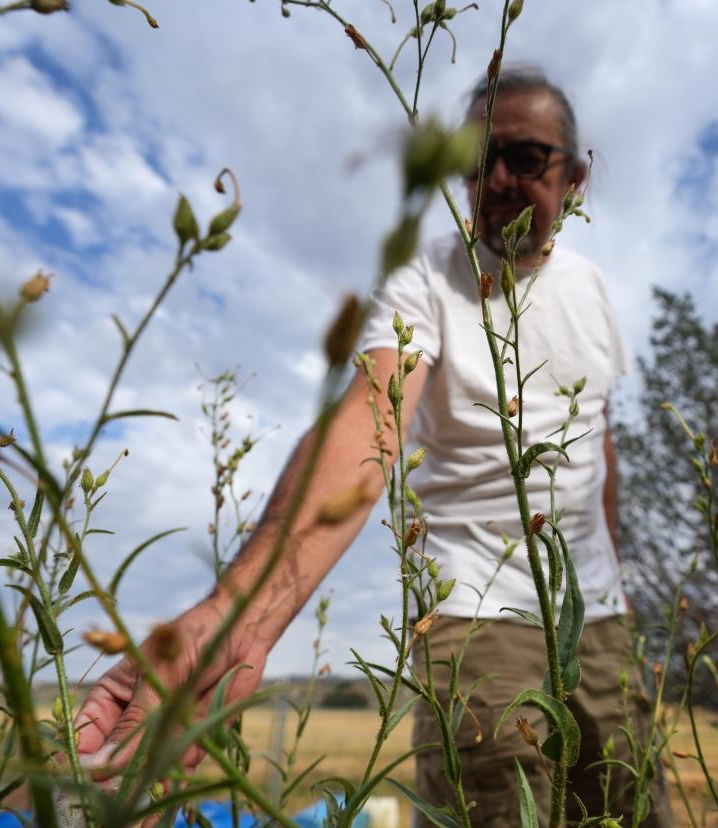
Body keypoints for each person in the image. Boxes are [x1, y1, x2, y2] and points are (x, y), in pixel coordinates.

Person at [76, 66, 670, 827]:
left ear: (576, 175)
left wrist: (613, 587)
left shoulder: (591, 285)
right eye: (477, 159)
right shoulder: (427, 275)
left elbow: (599, 444)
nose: (496, 178)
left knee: (630, 808)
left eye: (525, 157)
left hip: (600, 621)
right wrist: (237, 615)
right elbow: (370, 419)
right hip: (479, 617)